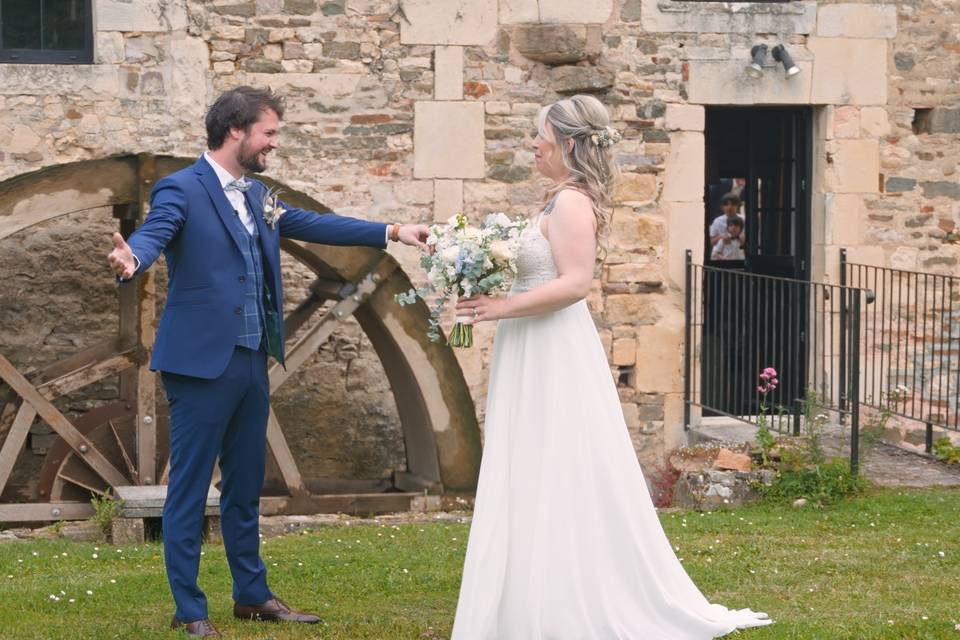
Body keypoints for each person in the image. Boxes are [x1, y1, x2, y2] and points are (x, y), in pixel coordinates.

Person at [106, 86, 428, 638]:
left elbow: (312, 225)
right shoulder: (181, 188)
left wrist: (393, 232)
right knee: (187, 490)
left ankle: (251, 596)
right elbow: (154, 235)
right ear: (237, 131)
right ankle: (191, 611)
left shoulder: (257, 196)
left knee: (245, 484)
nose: (273, 144)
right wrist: (131, 256)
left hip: (253, 360)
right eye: (269, 133)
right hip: (201, 366)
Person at [452, 94, 772, 638]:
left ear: (569, 143)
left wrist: (498, 306)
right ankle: (524, 595)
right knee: (530, 462)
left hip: (550, 345)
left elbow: (575, 284)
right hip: (530, 342)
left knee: (556, 461)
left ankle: (564, 599)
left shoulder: (573, 202)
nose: (533, 143)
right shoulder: (556, 201)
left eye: (541, 135)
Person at [709, 192, 745, 261]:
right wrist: (722, 237)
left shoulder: (744, 219)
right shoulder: (717, 221)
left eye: (733, 204)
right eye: (726, 204)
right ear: (722, 207)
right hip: (720, 258)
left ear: (738, 206)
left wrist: (740, 239)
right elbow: (711, 242)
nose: (730, 207)